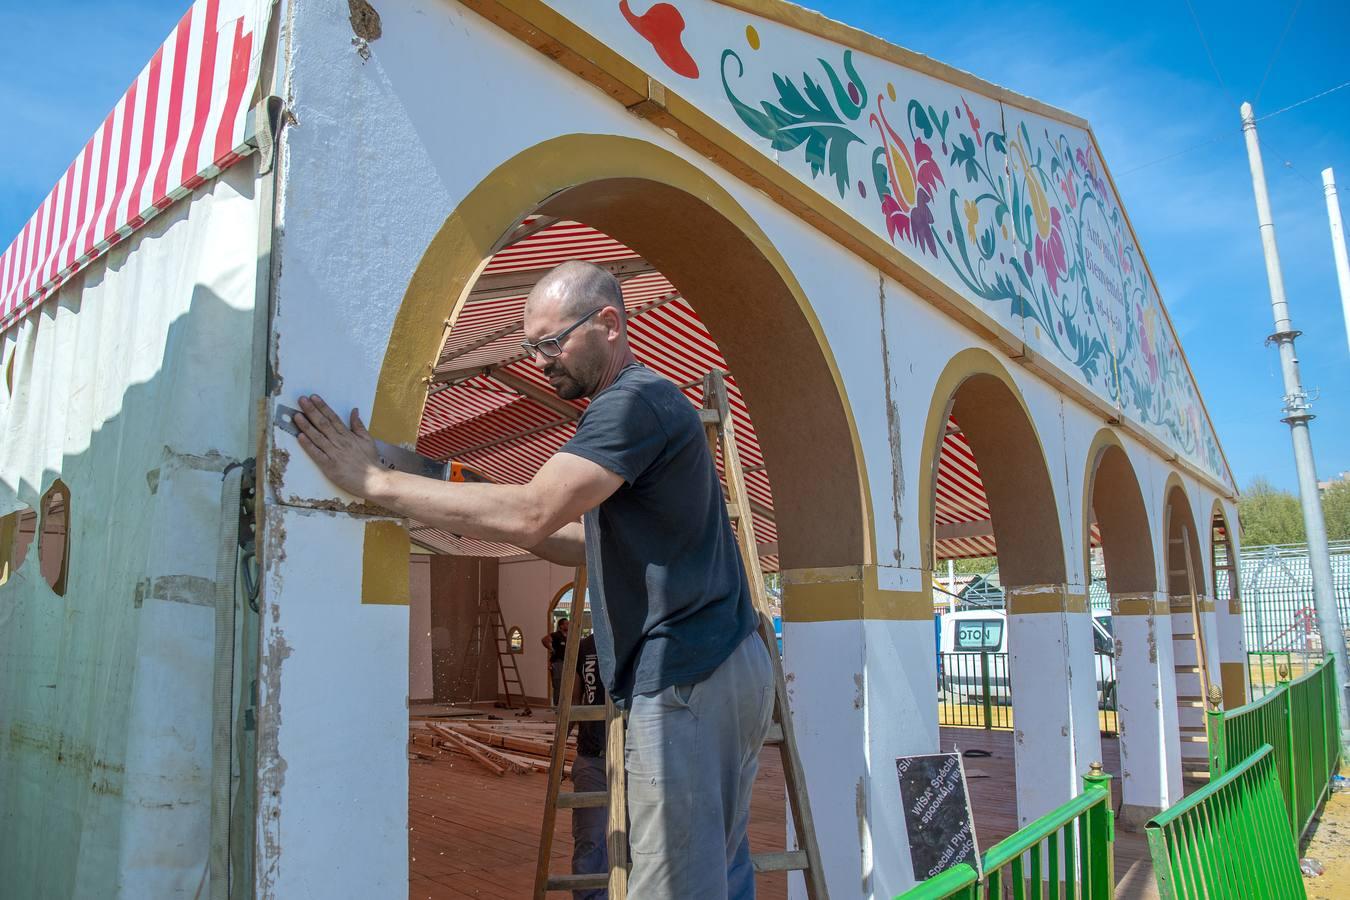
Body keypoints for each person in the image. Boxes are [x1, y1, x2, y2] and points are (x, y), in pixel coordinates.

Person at [292, 259, 774, 899]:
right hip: (726, 666)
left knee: (674, 885)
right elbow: (579, 539)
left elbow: (533, 511)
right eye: (530, 346)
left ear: (609, 323)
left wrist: (376, 482)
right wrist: (472, 508)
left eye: (551, 342)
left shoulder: (629, 403)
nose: (539, 360)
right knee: (718, 867)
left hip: (687, 675)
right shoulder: (647, 409)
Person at [569, 631, 608, 900]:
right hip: (592, 756)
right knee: (590, 839)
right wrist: (559, 742)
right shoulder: (585, 647)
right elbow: (574, 696)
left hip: (636, 758)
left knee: (637, 843)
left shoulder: (642, 636)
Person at [541, 616, 569, 707]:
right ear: (561, 626)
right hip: (558, 663)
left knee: (566, 685)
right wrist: (551, 648)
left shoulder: (569, 636)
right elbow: (544, 640)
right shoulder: (556, 635)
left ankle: (564, 705)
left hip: (567, 663)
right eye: (566, 624)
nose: (568, 625)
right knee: (558, 684)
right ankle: (557, 706)